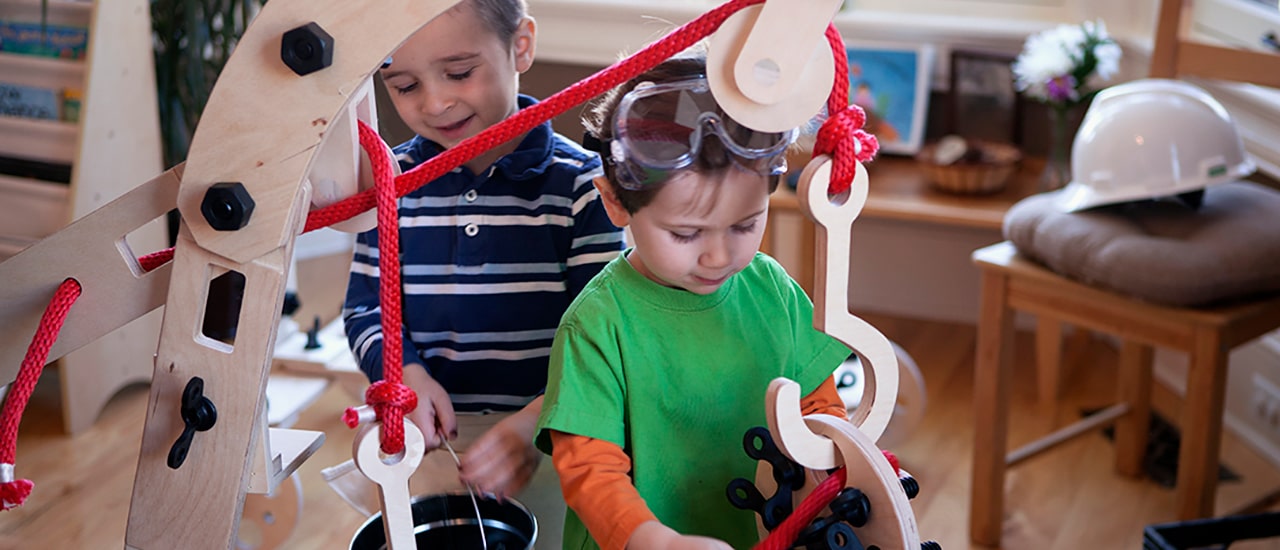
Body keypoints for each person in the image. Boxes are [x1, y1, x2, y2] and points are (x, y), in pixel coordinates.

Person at [534, 54, 852, 550]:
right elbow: (588, 467)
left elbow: (819, 405)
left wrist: (842, 465)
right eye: (686, 233)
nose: (719, 255)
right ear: (615, 202)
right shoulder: (597, 324)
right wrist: (651, 541)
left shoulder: (773, 290)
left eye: (745, 224)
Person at [341, 0, 624, 542]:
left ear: (521, 45)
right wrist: (405, 375)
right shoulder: (388, 184)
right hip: (429, 444)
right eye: (404, 85)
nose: (436, 102)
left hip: (559, 434)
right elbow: (365, 307)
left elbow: (605, 340)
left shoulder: (584, 188)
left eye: (459, 73)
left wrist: (534, 425)